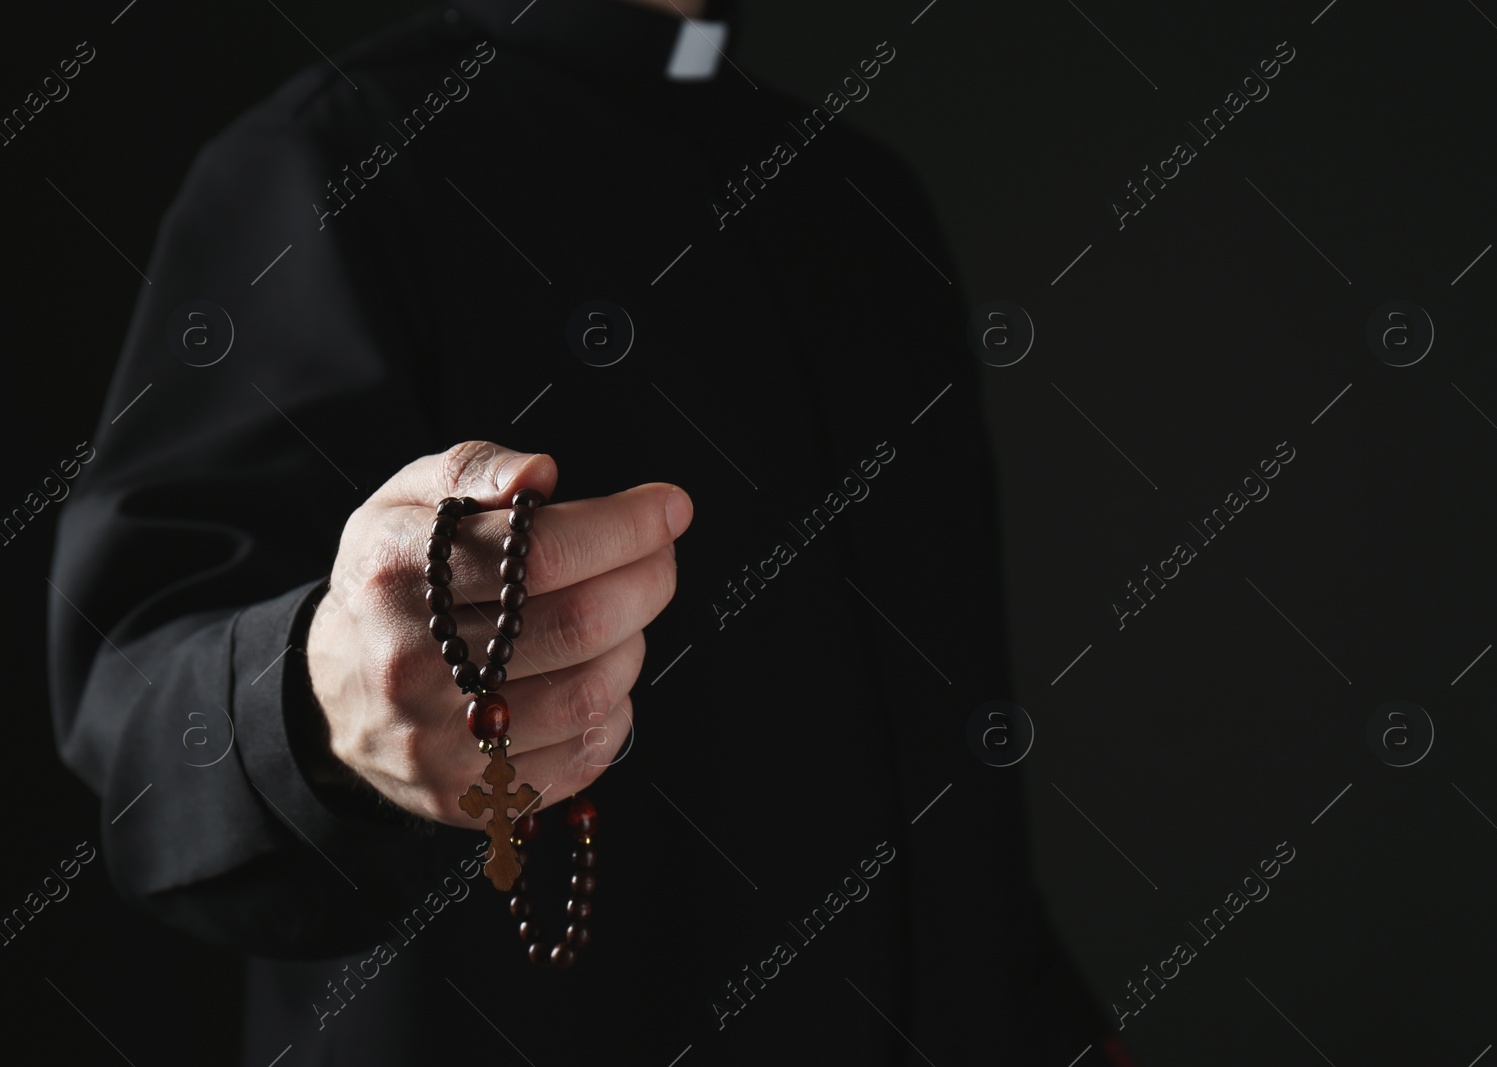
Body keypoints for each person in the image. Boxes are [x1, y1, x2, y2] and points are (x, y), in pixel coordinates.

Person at [48, 0, 1127, 1062]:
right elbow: (138, 700)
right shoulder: (330, 157)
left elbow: (953, 758)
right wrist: (322, 705)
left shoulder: (864, 201)